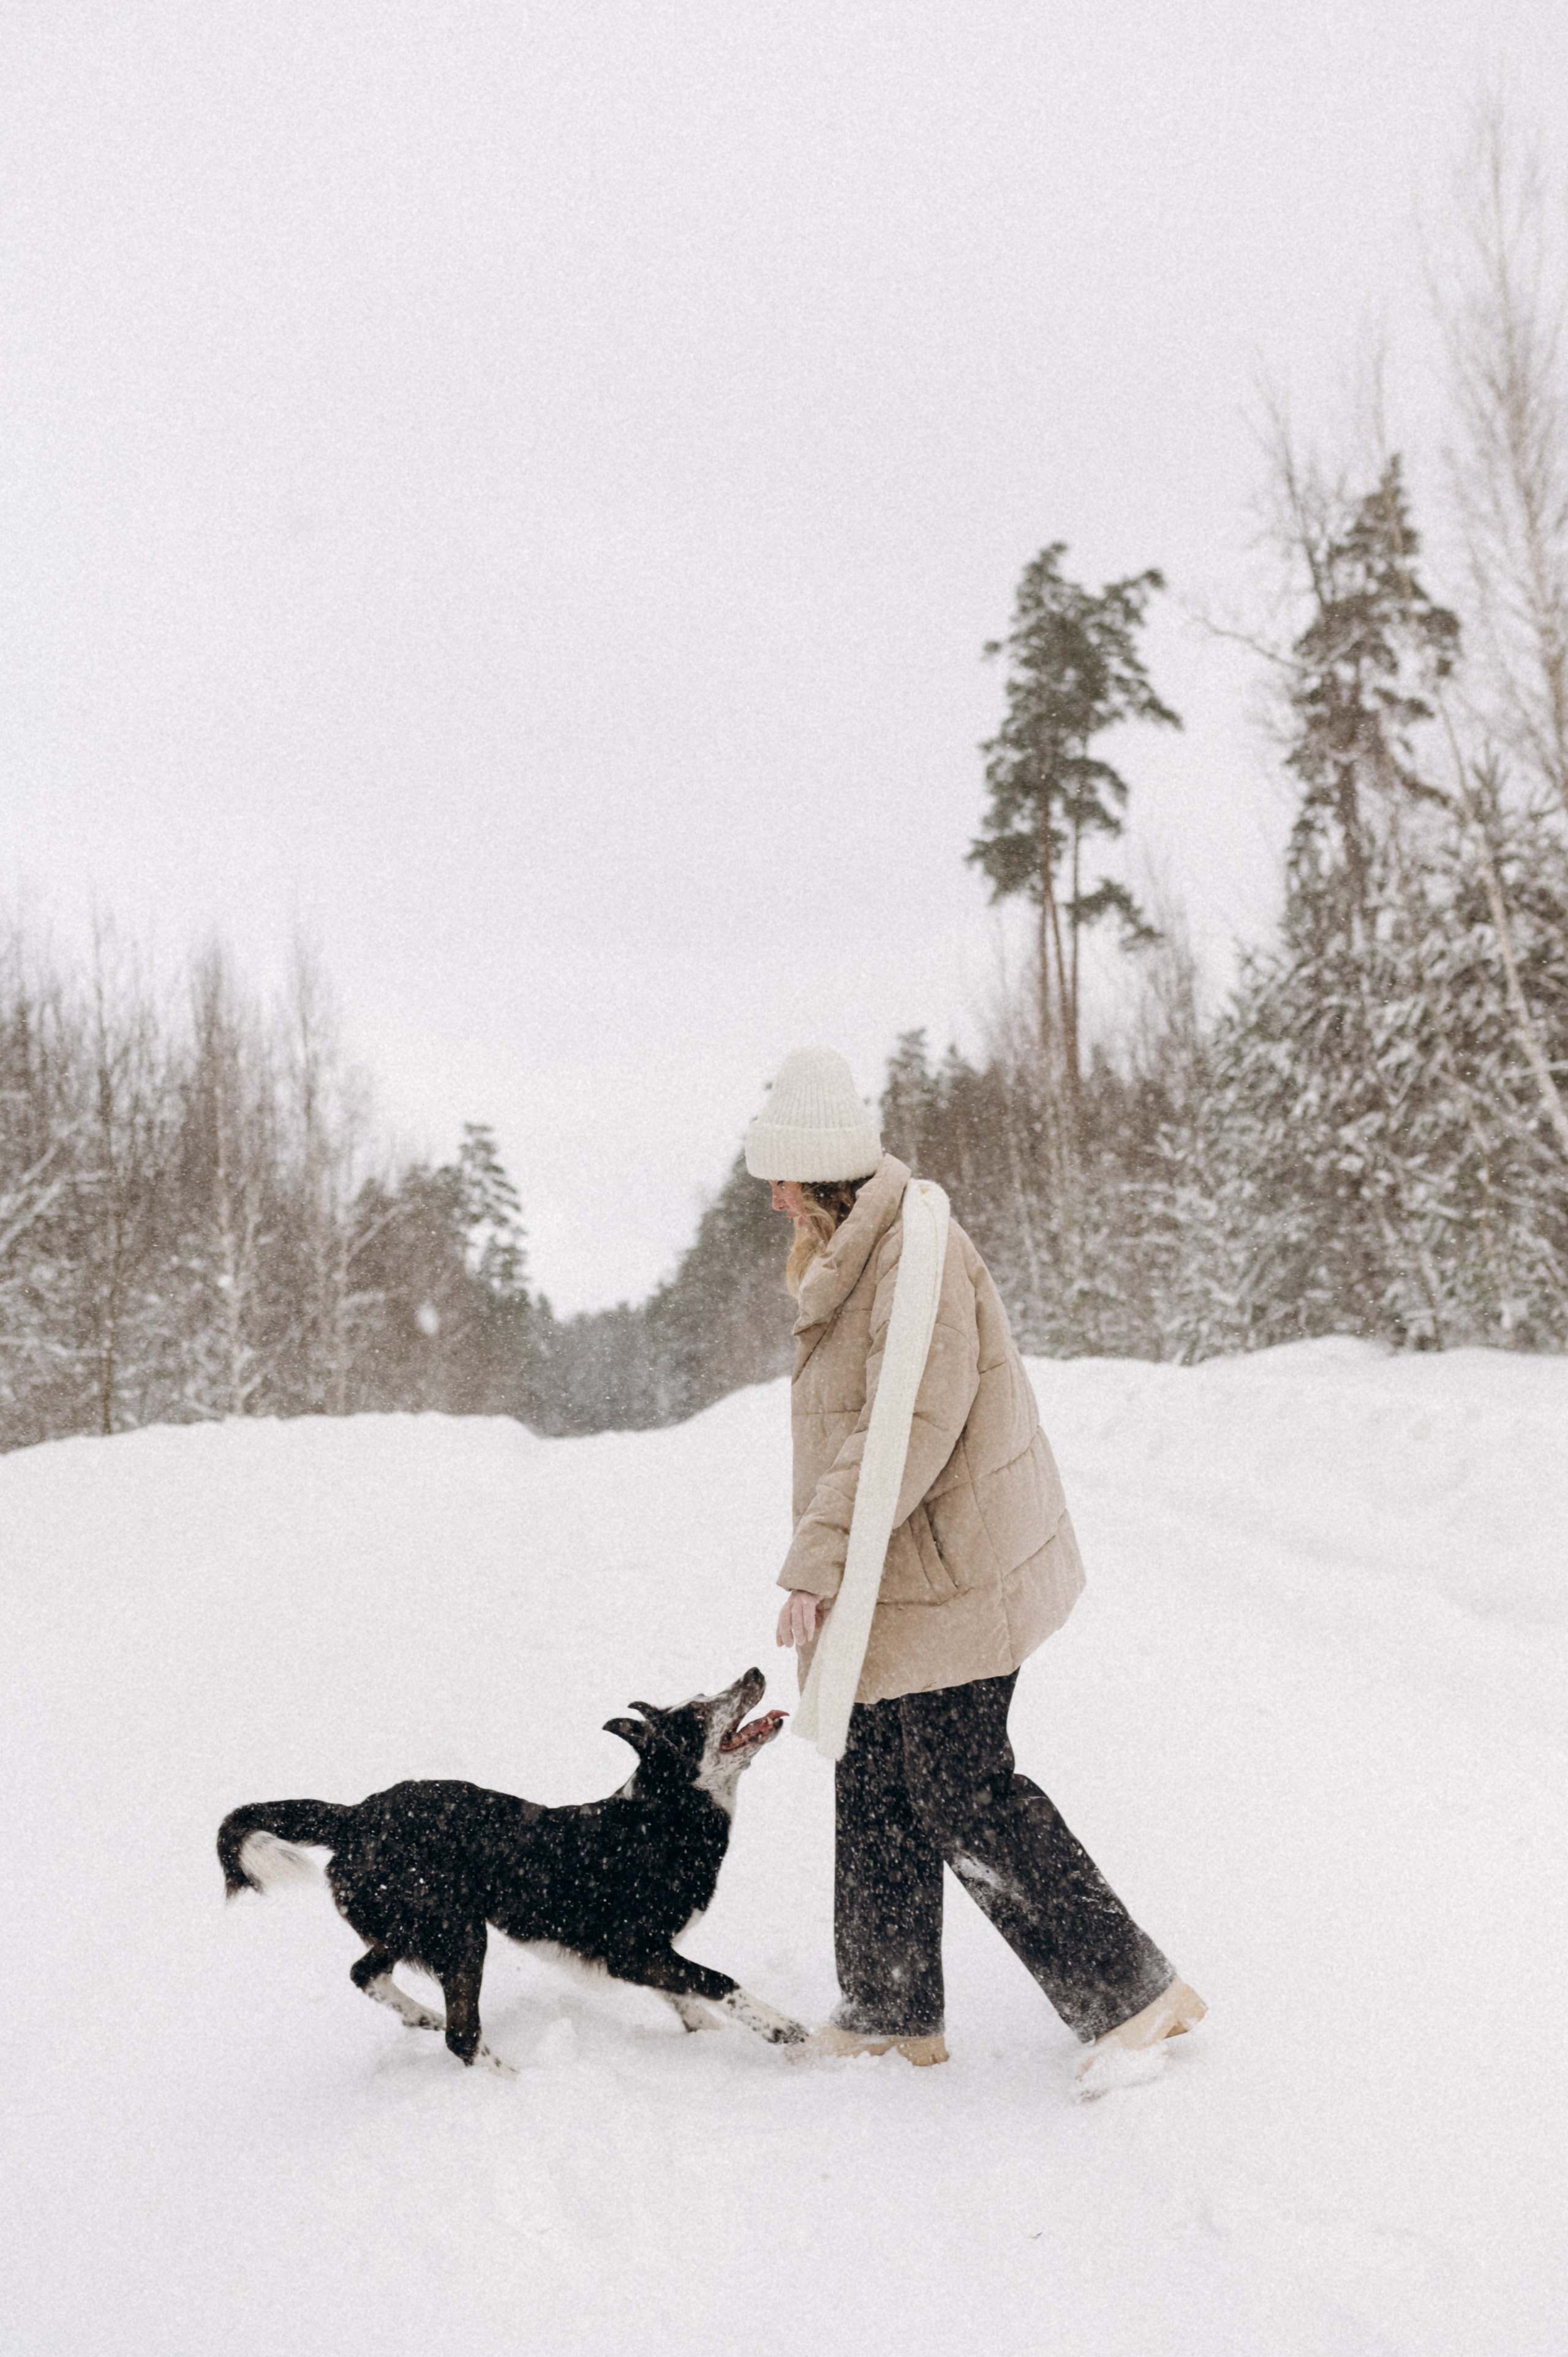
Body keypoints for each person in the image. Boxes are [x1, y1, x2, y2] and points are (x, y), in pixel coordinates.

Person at [745, 1045, 1205, 2081]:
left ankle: (1134, 1993)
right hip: (896, 1576)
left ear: (820, 1172)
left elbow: (909, 1422)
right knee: (872, 1773)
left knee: (960, 1792)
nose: (772, 1199)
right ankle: (888, 2007)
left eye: (780, 1176)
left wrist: (817, 1556)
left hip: (956, 1575)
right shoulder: (861, 1251)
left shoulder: (918, 1256)